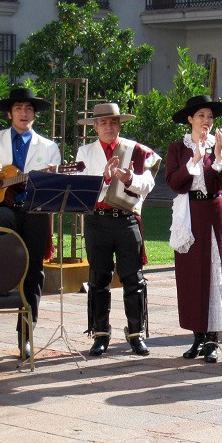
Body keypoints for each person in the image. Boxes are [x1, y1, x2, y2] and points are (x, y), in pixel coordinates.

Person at [0, 87, 61, 359]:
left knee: (35, 271)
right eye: (19, 109)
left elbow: (56, 186)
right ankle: (4, 267)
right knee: (1, 216)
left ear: (34, 115)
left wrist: (47, 179)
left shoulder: (49, 147)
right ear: (9, 113)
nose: (24, 113)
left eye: (29, 109)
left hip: (34, 211)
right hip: (3, 210)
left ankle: (26, 336)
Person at [76, 103, 161, 357]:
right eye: (103, 123)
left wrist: (128, 179)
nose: (109, 127)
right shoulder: (85, 151)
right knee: (98, 279)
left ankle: (136, 334)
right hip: (97, 220)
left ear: (119, 124)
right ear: (95, 127)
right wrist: (103, 178)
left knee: (133, 279)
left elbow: (148, 184)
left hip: (126, 219)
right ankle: (100, 334)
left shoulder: (135, 150)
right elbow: (80, 189)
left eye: (113, 122)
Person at [166, 95, 222, 363]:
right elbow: (174, 182)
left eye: (209, 116)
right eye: (201, 116)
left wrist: (218, 157)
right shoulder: (177, 148)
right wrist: (194, 159)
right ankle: (197, 335)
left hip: (214, 212)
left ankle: (212, 339)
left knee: (215, 271)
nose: (206, 121)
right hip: (190, 214)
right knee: (192, 275)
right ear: (190, 120)